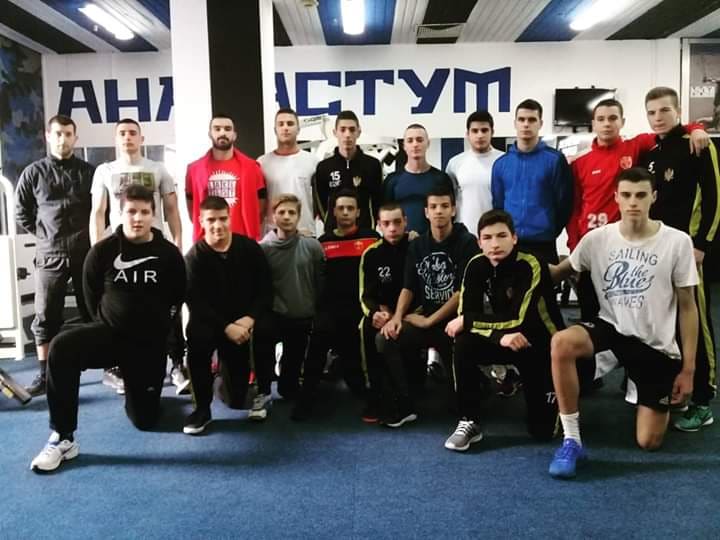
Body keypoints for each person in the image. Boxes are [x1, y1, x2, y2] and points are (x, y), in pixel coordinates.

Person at [547, 167, 698, 479]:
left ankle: (649, 392)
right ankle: (572, 440)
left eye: (641, 195)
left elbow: (688, 307)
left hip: (655, 346)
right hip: (611, 330)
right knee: (561, 343)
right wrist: (511, 263)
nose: (633, 202)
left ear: (653, 197)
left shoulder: (677, 242)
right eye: (626, 195)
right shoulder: (597, 239)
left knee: (648, 442)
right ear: (616, 197)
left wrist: (688, 369)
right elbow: (557, 273)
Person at [30, 185, 186, 472]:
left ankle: (140, 390)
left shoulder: (168, 254)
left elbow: (177, 298)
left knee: (145, 421)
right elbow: (91, 299)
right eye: (131, 211)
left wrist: (163, 339)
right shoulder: (102, 252)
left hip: (147, 346)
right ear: (120, 214)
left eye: (144, 212)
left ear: (153, 215)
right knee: (63, 347)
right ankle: (63, 437)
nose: (137, 218)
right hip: (110, 336)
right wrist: (108, 323)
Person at [568, 98, 709, 320]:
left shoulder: (636, 145)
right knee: (590, 315)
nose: (607, 123)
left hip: (629, 248)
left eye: (613, 118)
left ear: (622, 121)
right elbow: (574, 209)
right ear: (593, 124)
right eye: (601, 119)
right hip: (592, 247)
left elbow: (670, 131)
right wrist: (574, 248)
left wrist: (696, 128)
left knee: (629, 314)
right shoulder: (579, 162)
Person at [443, 210, 564, 451]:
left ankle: (559, 399)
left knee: (542, 433)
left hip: (541, 345)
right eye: (487, 238)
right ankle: (468, 420)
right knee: (464, 342)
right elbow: (467, 312)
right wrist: (498, 336)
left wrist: (470, 321)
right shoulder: (476, 265)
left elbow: (519, 318)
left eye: (501, 236)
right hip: (505, 338)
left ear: (514, 238)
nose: (495, 244)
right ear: (479, 242)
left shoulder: (531, 264)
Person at [643, 86, 719, 432]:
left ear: (677, 112)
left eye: (664, 111)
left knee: (697, 322)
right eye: (652, 112)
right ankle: (682, 391)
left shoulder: (697, 145)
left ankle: (704, 400)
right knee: (670, 323)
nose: (658, 117)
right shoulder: (652, 154)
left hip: (691, 252)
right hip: (659, 252)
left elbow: (715, 198)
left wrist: (702, 244)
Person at [90, 118, 185, 395]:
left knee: (168, 304)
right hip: (119, 248)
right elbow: (98, 212)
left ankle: (177, 364)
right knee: (118, 307)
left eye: (133, 133)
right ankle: (115, 366)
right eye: (122, 133)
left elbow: (172, 209)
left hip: (155, 245)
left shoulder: (158, 169)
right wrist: (97, 250)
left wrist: (178, 242)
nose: (127, 137)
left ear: (142, 139)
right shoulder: (105, 171)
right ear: (116, 139)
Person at [377, 184, 478, 427]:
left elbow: (461, 292)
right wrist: (397, 317)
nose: (439, 211)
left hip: (455, 323)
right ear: (426, 212)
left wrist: (430, 321)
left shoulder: (467, 242)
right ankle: (404, 405)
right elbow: (408, 287)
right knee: (385, 338)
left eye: (444, 206)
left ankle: (476, 386)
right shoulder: (418, 245)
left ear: (453, 210)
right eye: (433, 207)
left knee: (462, 403)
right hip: (425, 319)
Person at [15, 114, 95, 396]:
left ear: (75, 137)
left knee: (94, 312)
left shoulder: (89, 172)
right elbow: (22, 212)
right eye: (58, 134)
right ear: (48, 136)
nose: (63, 139)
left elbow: (103, 209)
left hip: (85, 254)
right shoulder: (33, 173)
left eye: (68, 134)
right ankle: (45, 374)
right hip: (49, 254)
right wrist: (44, 235)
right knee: (46, 315)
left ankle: (109, 367)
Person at [183, 196, 272, 435]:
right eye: (211, 220)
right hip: (213, 324)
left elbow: (265, 290)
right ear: (201, 221)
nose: (218, 225)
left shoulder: (249, 248)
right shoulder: (193, 258)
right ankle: (202, 408)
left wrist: (250, 318)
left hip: (243, 323)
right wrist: (226, 327)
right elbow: (196, 303)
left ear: (230, 218)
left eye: (223, 218)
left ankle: (256, 390)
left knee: (236, 400)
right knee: (196, 335)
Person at [294, 189, 379, 420]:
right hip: (330, 309)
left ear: (358, 212)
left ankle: (370, 395)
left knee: (357, 360)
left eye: (350, 208)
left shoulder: (372, 239)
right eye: (341, 208)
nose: (345, 212)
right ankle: (306, 400)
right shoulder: (322, 243)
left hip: (361, 309)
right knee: (318, 341)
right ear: (333, 212)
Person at [253, 194, 325, 420]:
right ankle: (263, 391)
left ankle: (287, 382)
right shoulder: (263, 249)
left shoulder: (312, 246)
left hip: (302, 315)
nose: (286, 217)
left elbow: (320, 282)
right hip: (274, 315)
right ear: (273, 216)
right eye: (281, 212)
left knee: (289, 386)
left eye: (291, 212)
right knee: (262, 336)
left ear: (298, 216)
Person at [491, 99, 573, 263]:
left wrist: (549, 230)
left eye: (532, 120)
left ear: (540, 123)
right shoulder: (501, 164)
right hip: (511, 244)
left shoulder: (555, 160)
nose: (526, 124)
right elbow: (498, 205)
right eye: (521, 120)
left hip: (544, 243)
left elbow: (564, 203)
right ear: (515, 123)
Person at [359, 203, 410, 422]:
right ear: (378, 225)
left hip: (412, 314)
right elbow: (365, 294)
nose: (392, 228)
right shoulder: (371, 253)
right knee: (366, 327)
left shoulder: (416, 247)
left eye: (397, 222)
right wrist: (375, 313)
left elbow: (419, 289)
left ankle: (404, 396)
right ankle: (375, 393)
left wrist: (400, 315)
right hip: (383, 313)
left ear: (405, 222)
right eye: (386, 223)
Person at [185, 114, 266, 242]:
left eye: (227, 129)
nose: (222, 133)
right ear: (210, 134)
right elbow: (191, 206)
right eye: (217, 129)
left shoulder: (252, 167)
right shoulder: (194, 169)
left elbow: (261, 204)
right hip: (208, 240)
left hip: (243, 240)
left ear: (234, 135)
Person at [314, 110, 383, 232]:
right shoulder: (324, 167)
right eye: (343, 130)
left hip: (364, 233)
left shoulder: (372, 165)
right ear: (335, 133)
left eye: (352, 130)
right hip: (333, 234)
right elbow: (321, 205)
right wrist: (331, 222)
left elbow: (378, 201)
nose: (347, 135)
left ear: (358, 132)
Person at [383, 123, 455, 235]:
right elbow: (385, 216)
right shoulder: (392, 180)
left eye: (420, 140)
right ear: (404, 145)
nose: (415, 144)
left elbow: (450, 214)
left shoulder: (441, 179)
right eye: (410, 141)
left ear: (428, 143)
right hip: (401, 241)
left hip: (433, 241)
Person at [258, 108, 318, 236]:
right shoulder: (262, 163)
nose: (285, 128)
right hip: (274, 235)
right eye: (281, 124)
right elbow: (259, 204)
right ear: (275, 130)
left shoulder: (313, 161)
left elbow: (320, 202)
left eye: (290, 124)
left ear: (298, 129)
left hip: (305, 232)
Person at [445, 111, 504, 233]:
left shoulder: (504, 161)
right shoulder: (455, 163)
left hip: (495, 234)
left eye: (484, 130)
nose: (480, 135)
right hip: (463, 235)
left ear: (492, 132)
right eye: (475, 131)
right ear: (467, 134)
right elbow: (448, 201)